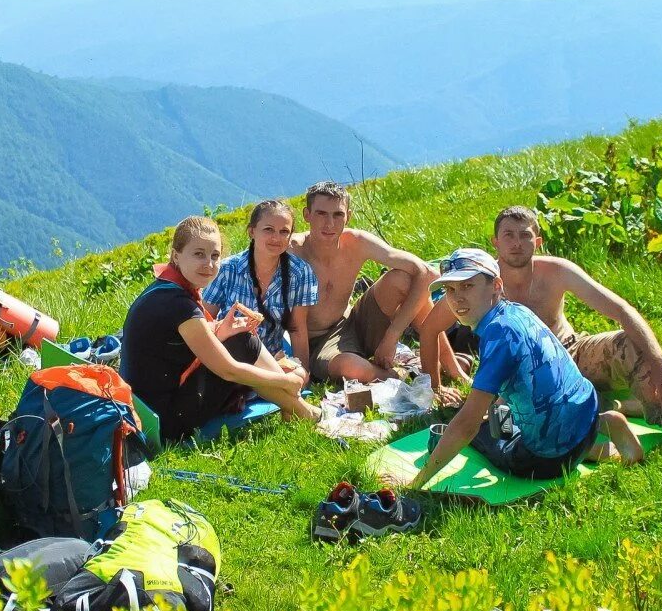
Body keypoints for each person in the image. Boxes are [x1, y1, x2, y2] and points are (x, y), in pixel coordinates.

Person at [421, 206, 662, 458]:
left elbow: (621, 310)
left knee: (627, 344)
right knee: (507, 429)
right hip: (519, 378)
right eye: (508, 235)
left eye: (525, 235)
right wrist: (435, 386)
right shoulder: (477, 283)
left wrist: (658, 360)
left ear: (538, 241)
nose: (517, 243)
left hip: (571, 352)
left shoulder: (557, 271)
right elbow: (430, 330)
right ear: (495, 242)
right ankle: (610, 415)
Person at [409, 248, 619, 487]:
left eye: (467, 286)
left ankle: (594, 444)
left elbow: (466, 426)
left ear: (496, 286)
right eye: (450, 290)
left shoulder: (499, 335)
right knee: (497, 417)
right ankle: (606, 433)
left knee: (480, 434)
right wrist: (495, 412)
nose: (457, 299)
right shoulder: (516, 311)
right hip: (588, 418)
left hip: (550, 456)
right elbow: (519, 381)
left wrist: (415, 484)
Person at [120, 216, 318, 442]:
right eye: (198, 254)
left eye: (215, 256)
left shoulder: (165, 289)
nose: (209, 264)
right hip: (165, 424)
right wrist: (285, 382)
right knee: (242, 344)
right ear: (176, 255)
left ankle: (293, 407)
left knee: (238, 337)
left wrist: (220, 331)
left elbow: (175, 349)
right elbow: (229, 370)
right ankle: (302, 410)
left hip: (145, 412)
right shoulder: (178, 304)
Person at [289, 181, 444, 384]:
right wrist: (303, 372)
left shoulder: (356, 242)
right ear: (307, 215)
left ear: (348, 216)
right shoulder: (292, 251)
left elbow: (428, 274)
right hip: (318, 342)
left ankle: (448, 369)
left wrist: (392, 336)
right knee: (349, 366)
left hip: (354, 320)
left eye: (337, 215)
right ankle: (404, 378)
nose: (329, 224)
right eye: (321, 214)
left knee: (405, 280)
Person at [203, 200, 318, 383]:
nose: (276, 238)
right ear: (252, 232)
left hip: (271, 361)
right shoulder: (226, 270)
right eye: (268, 230)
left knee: (298, 376)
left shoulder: (300, 273)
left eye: (284, 232)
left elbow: (297, 329)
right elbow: (205, 321)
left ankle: (274, 384)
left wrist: (304, 371)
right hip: (229, 357)